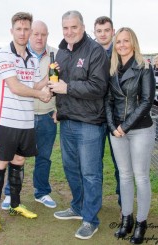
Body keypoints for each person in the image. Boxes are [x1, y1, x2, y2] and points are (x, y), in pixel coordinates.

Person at [48, 10, 109, 239]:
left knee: (90, 174)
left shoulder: (95, 51)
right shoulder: (62, 52)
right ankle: (78, 206)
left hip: (90, 123)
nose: (69, 32)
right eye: (65, 28)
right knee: (71, 168)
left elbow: (98, 87)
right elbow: (58, 83)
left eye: (74, 27)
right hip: (67, 121)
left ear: (82, 28)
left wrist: (68, 88)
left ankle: (90, 219)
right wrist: (58, 104)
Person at [0, 12, 51, 232]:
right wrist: (40, 95)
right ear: (12, 31)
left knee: (19, 162)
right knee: (1, 164)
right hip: (6, 121)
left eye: (27, 29)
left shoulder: (33, 59)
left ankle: (15, 204)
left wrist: (52, 77)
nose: (23, 33)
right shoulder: (3, 55)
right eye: (19, 29)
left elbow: (35, 85)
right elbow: (15, 87)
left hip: (26, 122)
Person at [105, 27, 156, 244]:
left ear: (133, 43)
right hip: (117, 131)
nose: (122, 45)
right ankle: (126, 219)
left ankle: (141, 223)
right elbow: (107, 100)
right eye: (118, 42)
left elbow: (146, 101)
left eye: (126, 41)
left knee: (140, 177)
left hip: (140, 129)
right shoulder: (112, 69)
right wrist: (112, 125)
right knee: (124, 176)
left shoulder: (144, 67)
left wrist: (124, 126)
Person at [1, 20, 57, 210]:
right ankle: (10, 194)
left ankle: (41, 192)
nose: (40, 38)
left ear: (48, 35)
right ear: (30, 34)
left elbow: (62, 83)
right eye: (36, 34)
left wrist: (59, 109)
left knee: (44, 157)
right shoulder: (18, 55)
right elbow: (18, 86)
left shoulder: (56, 55)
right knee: (15, 157)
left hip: (48, 115)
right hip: (23, 116)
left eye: (44, 34)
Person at [94, 16, 121, 209]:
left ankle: (123, 204)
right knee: (94, 164)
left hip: (117, 118)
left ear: (113, 31)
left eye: (106, 30)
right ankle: (95, 203)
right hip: (94, 117)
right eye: (99, 31)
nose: (103, 34)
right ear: (95, 33)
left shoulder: (120, 53)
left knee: (121, 164)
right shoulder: (90, 52)